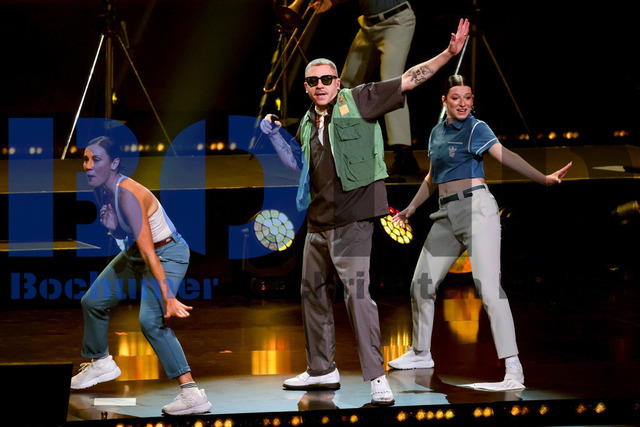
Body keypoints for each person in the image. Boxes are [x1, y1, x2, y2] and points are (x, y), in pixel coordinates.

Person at [260, 19, 470, 405]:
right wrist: (274, 137)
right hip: (318, 223)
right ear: (306, 87)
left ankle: (376, 377)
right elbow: (298, 166)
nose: (320, 85)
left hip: (353, 221)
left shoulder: (360, 99)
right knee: (312, 294)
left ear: (337, 82)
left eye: (326, 79)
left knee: (357, 297)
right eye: (313, 81)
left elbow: (408, 79)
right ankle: (321, 370)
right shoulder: (307, 122)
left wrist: (448, 54)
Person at [387, 75, 573, 386]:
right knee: (421, 284)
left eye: (468, 97)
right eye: (456, 98)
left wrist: (542, 178)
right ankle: (420, 352)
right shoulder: (436, 133)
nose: (463, 103)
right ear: (444, 101)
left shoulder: (477, 128)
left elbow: (506, 155)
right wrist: (412, 207)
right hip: (445, 214)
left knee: (488, 289)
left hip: (477, 210)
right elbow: (433, 177)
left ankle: (513, 368)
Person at [70, 136, 212, 416]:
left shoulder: (129, 194)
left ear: (114, 163)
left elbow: (149, 252)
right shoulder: (102, 189)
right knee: (93, 301)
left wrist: (168, 297)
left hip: (167, 254)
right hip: (139, 252)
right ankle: (101, 362)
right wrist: (114, 228)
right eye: (85, 159)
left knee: (150, 322)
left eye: (96, 159)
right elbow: (131, 239)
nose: (88, 166)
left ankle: (192, 394)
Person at [289, 0, 419, 176]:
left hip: (396, 21)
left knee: (391, 83)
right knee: (346, 86)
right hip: (368, 26)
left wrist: (332, 1)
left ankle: (404, 154)